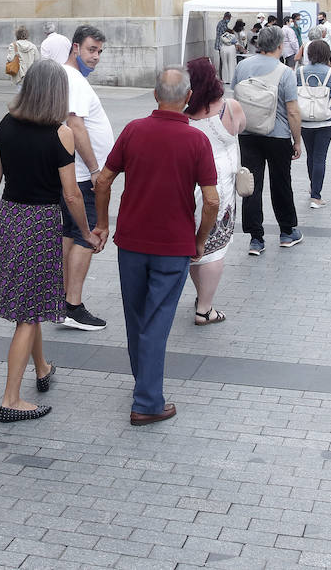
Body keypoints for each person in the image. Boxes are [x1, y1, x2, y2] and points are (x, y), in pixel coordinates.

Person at [0, 60, 104, 423]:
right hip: (40, 222)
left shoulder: (5, 124)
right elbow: (73, 195)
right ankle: (11, 399)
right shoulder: (61, 133)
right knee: (29, 314)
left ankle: (43, 368)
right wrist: (84, 231)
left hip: (11, 217)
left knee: (27, 306)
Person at [93, 67, 218, 426]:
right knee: (157, 319)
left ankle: (143, 382)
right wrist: (200, 239)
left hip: (132, 239)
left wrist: (102, 223)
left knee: (137, 316)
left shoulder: (134, 130)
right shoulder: (196, 141)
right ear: (189, 97)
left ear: (154, 94)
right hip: (173, 244)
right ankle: (147, 401)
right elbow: (211, 201)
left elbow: (103, 180)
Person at [56, 25, 115, 330]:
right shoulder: (73, 78)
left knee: (70, 232)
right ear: (76, 48)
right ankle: (72, 305)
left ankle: (63, 299)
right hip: (81, 175)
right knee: (86, 234)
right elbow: (75, 125)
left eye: (100, 51)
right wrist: (95, 169)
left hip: (75, 173)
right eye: (92, 49)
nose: (96, 57)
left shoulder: (66, 77)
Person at [231, 25, 302, 255]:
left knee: (251, 184)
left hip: (248, 133)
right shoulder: (285, 72)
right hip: (277, 135)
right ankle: (286, 231)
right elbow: (292, 111)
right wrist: (297, 140)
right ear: (280, 46)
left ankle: (255, 238)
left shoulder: (242, 66)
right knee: (281, 182)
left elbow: (236, 98)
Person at [184, 57, 245, 325]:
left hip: (189, 182)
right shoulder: (229, 108)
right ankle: (205, 308)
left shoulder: (183, 112)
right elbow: (241, 128)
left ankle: (201, 296)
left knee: (196, 245)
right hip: (219, 183)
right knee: (214, 247)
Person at [296, 40, 331, 209]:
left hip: (305, 120)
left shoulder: (299, 72)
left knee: (311, 155)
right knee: (320, 156)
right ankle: (316, 195)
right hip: (326, 120)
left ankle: (313, 186)